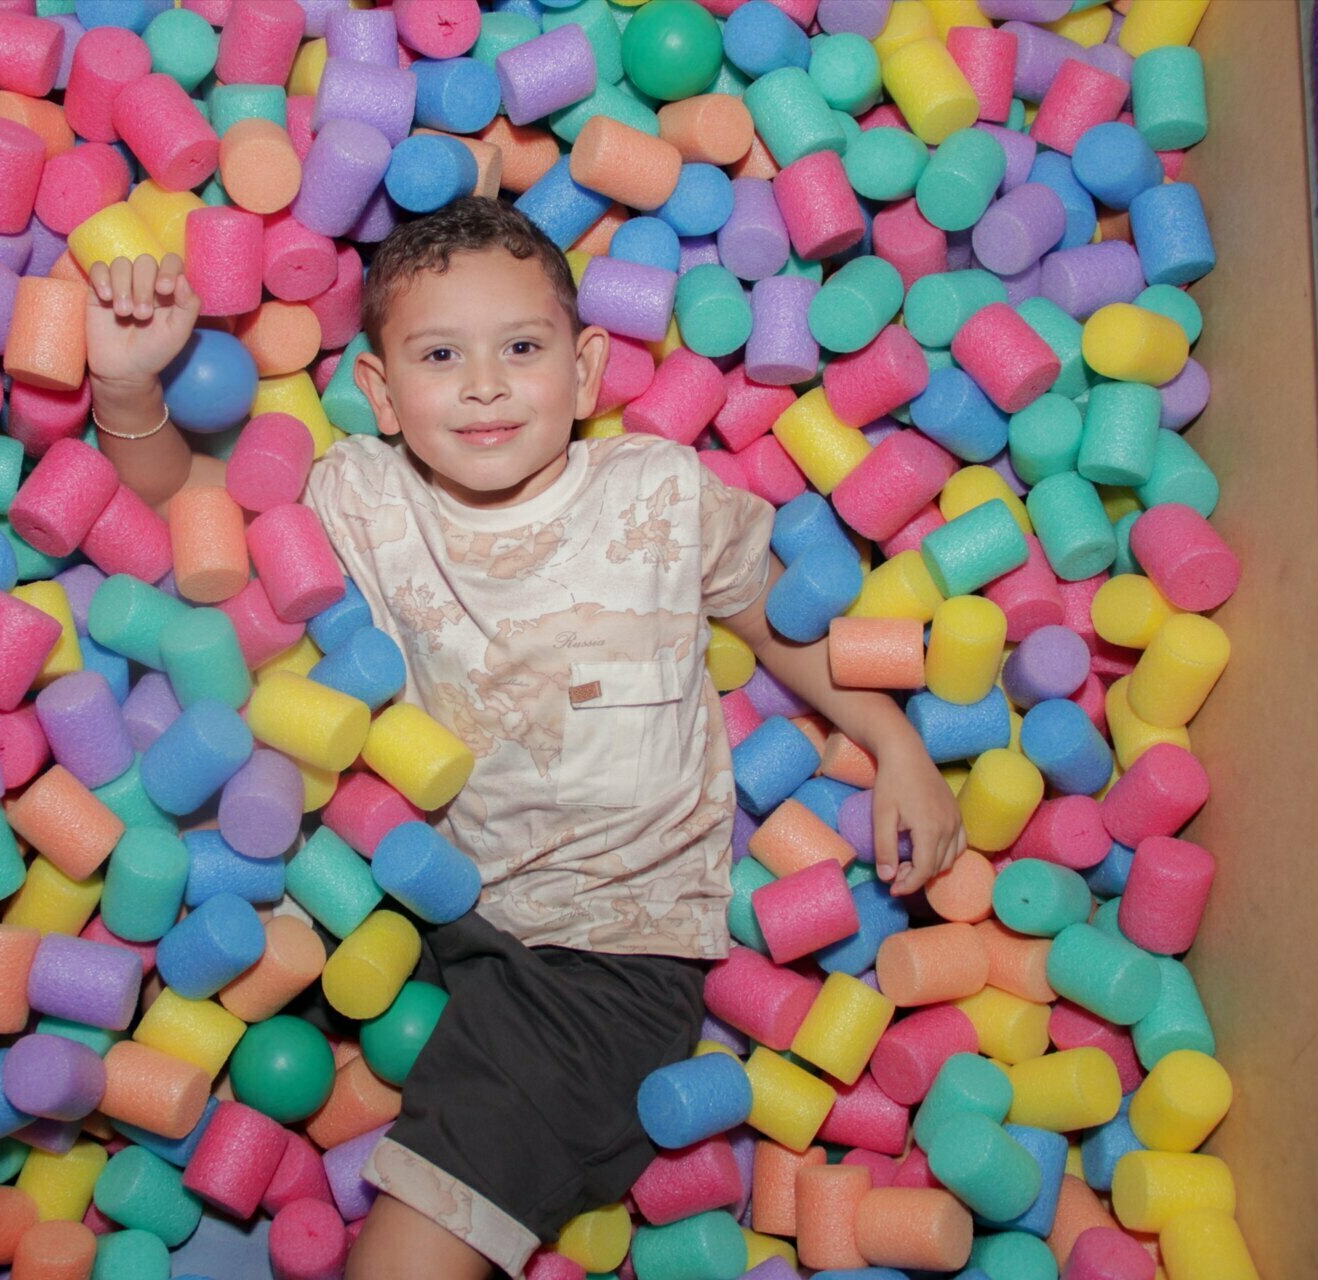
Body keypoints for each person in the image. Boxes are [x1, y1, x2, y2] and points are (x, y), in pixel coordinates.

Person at [83, 196, 966, 1280]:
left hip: (600, 953)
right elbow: (196, 513)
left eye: (523, 347)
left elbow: (786, 625)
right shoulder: (364, 500)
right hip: (395, 900)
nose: (486, 382)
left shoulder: (656, 492)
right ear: (382, 391)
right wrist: (129, 387)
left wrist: (899, 745)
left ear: (586, 369)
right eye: (441, 353)